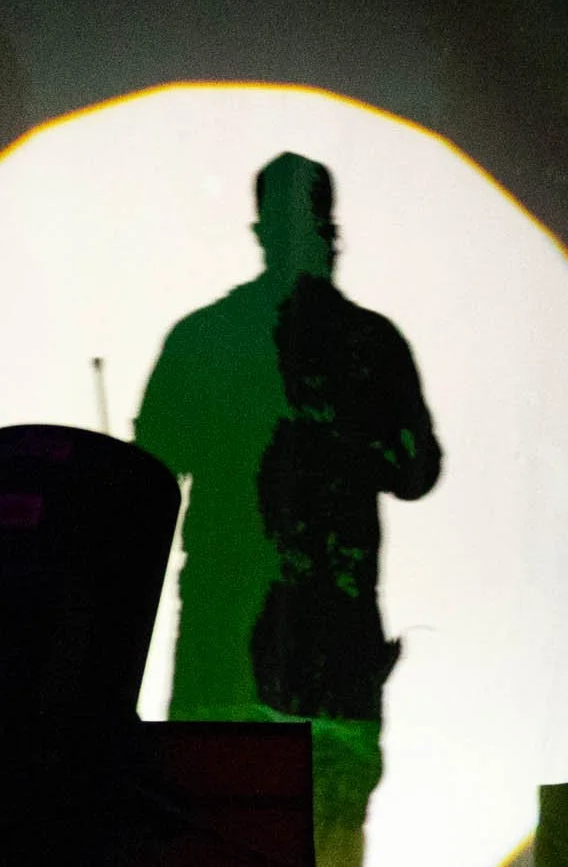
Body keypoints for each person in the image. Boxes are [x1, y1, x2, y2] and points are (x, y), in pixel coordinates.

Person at [135, 152, 442, 867]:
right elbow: (417, 471)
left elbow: (149, 469)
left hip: (224, 652)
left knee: (211, 833)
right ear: (330, 231)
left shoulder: (204, 336)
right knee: (325, 841)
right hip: (334, 658)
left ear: (262, 230)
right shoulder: (373, 344)